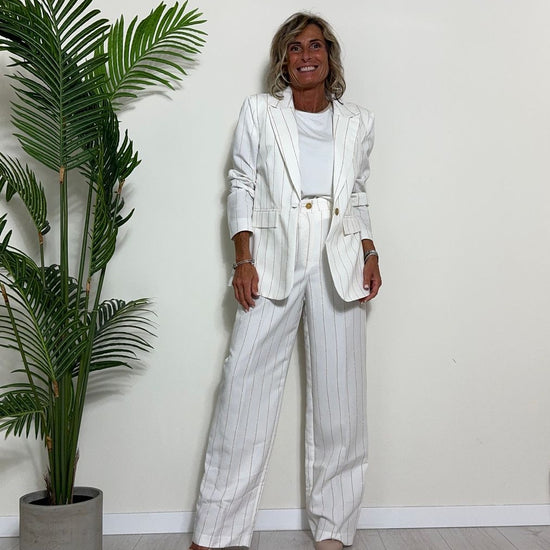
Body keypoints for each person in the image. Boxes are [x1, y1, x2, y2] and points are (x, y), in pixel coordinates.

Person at [190, 12, 381, 550]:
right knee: (242, 389)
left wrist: (369, 250)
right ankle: (217, 533)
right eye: (295, 48)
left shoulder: (359, 122)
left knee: (342, 402)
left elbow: (358, 194)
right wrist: (243, 259)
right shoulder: (259, 112)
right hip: (274, 254)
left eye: (315, 46)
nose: (306, 56)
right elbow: (241, 184)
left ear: (330, 57)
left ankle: (334, 530)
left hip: (339, 254)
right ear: (284, 60)